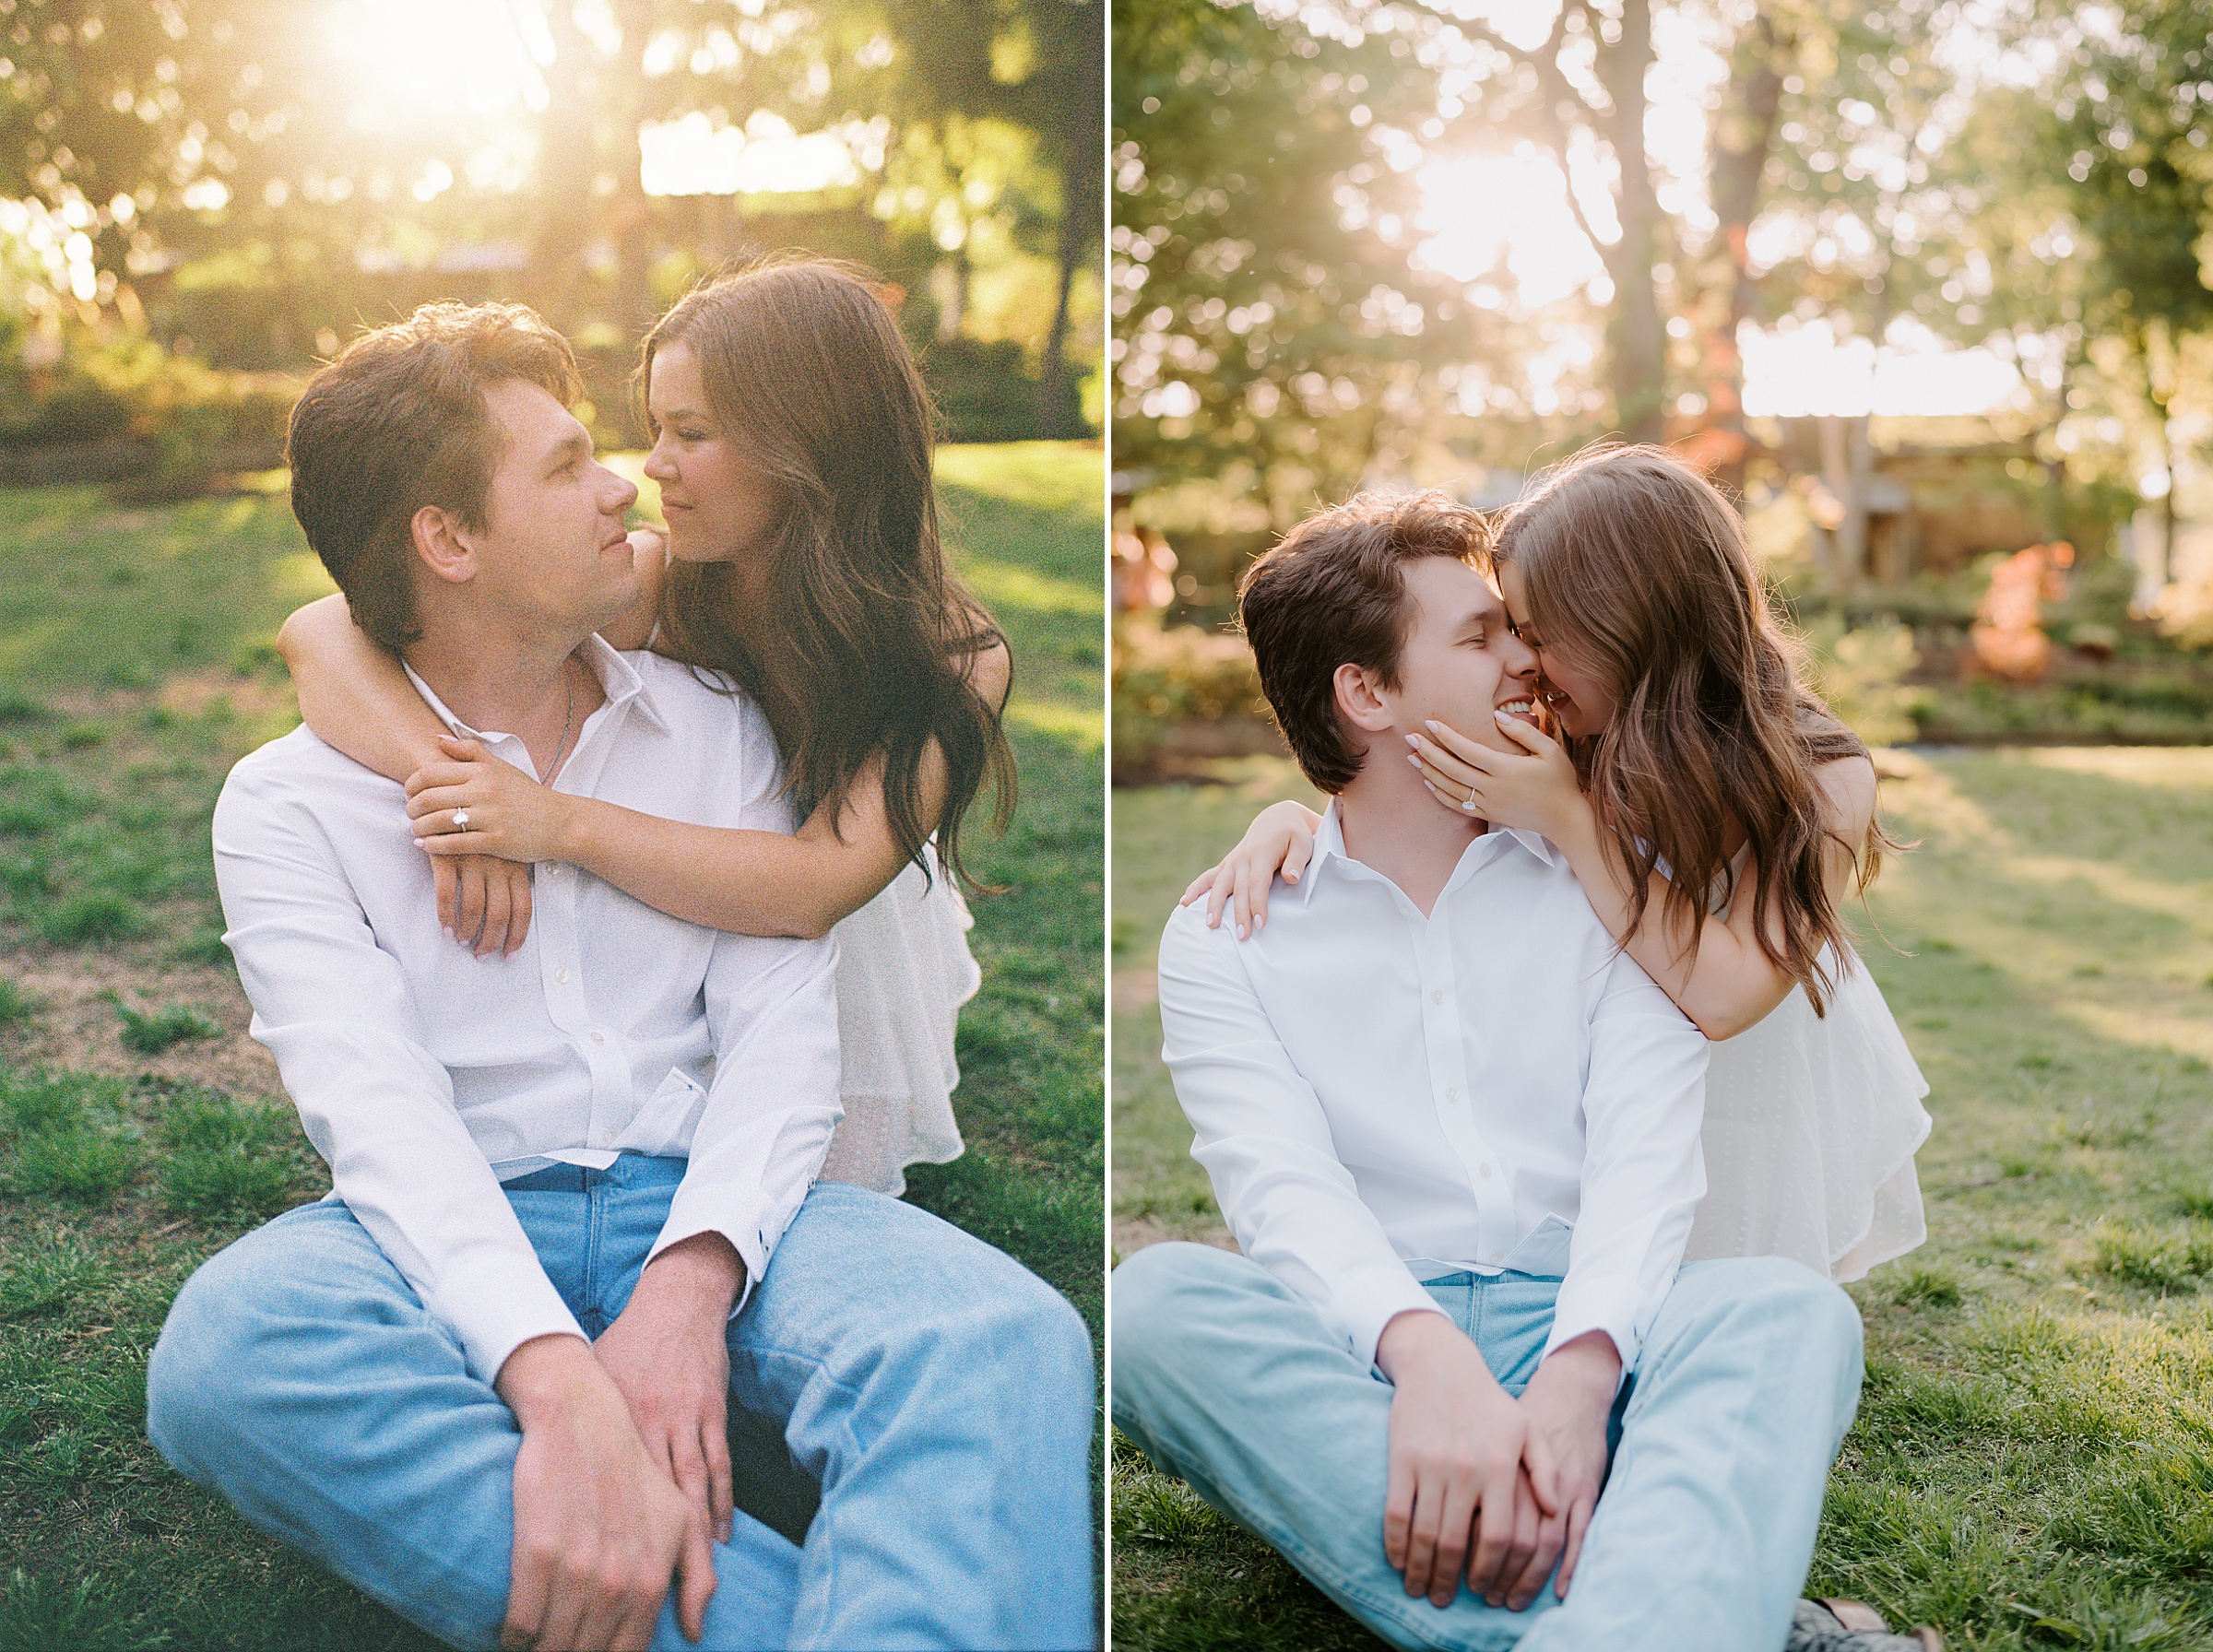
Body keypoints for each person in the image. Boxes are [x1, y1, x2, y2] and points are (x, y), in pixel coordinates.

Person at [145, 301, 1094, 1652]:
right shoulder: (289, 808)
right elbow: (381, 1118)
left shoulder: (747, 709)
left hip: (718, 1176)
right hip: (466, 1206)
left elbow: (787, 987)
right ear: (449, 540)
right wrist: (558, 1384)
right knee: (227, 1353)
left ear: (799, 452)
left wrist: (688, 1285)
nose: (630, 483)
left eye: (672, 439)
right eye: (576, 460)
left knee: (1005, 1341)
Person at [1113, 489, 1933, 1652]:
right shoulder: (1228, 930)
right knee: (1152, 1305)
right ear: (1367, 692)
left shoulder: (1616, 874)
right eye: (1483, 634)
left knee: (1790, 1312)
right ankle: (1680, 1609)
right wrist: (1429, 1360)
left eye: (1529, 631)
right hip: (1383, 1347)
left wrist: (1581, 1373)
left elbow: (1653, 1143)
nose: (1525, 664)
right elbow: (1277, 1188)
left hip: (1604, 1306)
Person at [277, 255, 1011, 1198]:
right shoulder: (672, 583)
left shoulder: (953, 654)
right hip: (691, 896)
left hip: (837, 913)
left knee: (816, 1201)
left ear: (809, 446)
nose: (651, 468)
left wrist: (548, 822)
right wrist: (458, 790)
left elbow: (815, 886)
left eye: (692, 434)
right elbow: (320, 631)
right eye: (657, 426)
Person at [1186, 444, 1931, 1283]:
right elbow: (1391, 789)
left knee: (1737, 1274)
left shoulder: (1824, 776)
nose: (1527, 664)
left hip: (1760, 1048)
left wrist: (1570, 820)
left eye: (1540, 636)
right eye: (1511, 632)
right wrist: (1291, 822)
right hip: (1619, 1056)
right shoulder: (1579, 731)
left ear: (1630, 624)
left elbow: (1726, 1001)